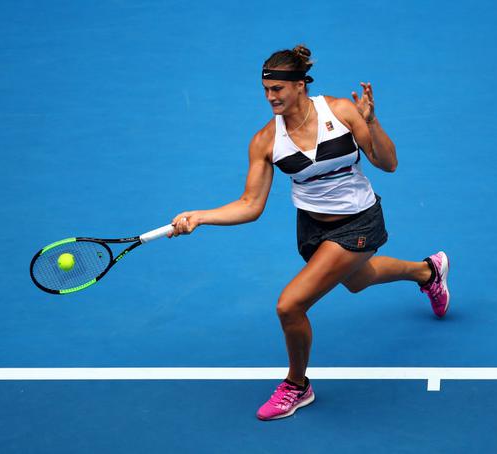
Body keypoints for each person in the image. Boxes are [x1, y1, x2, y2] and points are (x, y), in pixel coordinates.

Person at [168, 44, 450, 421]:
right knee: (358, 280)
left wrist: (373, 122)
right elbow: (251, 205)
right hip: (313, 229)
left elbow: (389, 163)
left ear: (300, 85)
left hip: (359, 222)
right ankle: (428, 272)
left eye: (277, 90)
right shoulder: (265, 141)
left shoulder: (340, 111)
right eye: (266, 90)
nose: (270, 97)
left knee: (290, 305)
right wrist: (200, 216)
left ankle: (297, 386)